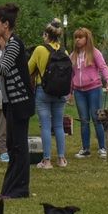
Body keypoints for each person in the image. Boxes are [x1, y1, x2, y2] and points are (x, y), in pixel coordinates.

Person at [0, 3, 35, 198]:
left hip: (20, 103)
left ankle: (20, 189)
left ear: (5, 24)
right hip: (11, 103)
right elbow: (9, 75)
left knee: (19, 148)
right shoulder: (8, 44)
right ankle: (11, 189)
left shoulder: (14, 43)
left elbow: (3, 69)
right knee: (14, 147)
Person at [27, 20, 71, 169]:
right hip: (60, 93)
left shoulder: (40, 49)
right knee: (58, 125)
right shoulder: (64, 51)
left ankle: (46, 160)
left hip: (43, 90)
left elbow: (28, 68)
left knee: (45, 126)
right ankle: (61, 159)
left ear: (46, 34)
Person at [69, 26, 108, 158]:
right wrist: (70, 92)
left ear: (87, 39)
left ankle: (102, 147)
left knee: (97, 119)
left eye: (80, 37)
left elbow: (103, 67)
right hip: (79, 91)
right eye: (76, 37)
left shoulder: (95, 53)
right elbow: (71, 75)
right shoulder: (73, 55)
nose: (77, 40)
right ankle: (85, 149)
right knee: (84, 120)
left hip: (94, 89)